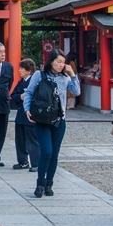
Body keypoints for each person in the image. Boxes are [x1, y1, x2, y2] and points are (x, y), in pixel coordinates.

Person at [23, 49, 80, 198]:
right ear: (51, 61)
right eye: (58, 61)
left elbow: (77, 92)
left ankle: (49, 183)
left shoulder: (65, 78)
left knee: (54, 154)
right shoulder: (39, 75)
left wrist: (72, 74)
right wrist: (27, 109)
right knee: (46, 152)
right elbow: (29, 92)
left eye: (63, 62)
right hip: (41, 119)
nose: (61, 65)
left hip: (59, 120)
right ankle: (40, 183)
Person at [11, 59, 39, 171]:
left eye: (22, 69)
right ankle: (22, 161)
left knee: (32, 140)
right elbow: (13, 94)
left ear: (29, 70)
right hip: (20, 114)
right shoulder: (21, 82)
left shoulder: (34, 81)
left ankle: (36, 163)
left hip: (30, 114)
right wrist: (20, 97)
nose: (20, 71)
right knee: (20, 140)